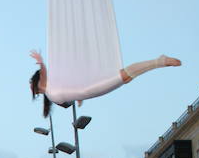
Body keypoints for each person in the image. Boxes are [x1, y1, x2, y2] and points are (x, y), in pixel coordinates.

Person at [29, 49, 180, 116]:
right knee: (124, 77)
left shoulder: (46, 85)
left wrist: (41, 62)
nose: (29, 87)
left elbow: (44, 71)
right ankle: (159, 61)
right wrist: (79, 97)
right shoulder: (51, 93)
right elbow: (70, 94)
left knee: (124, 76)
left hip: (90, 88)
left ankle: (159, 61)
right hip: (90, 91)